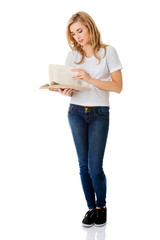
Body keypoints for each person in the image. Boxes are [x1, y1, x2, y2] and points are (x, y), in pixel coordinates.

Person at [51, 11, 123, 227]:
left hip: (99, 113)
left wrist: (89, 78)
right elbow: (72, 88)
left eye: (80, 31)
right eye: (73, 34)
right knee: (83, 165)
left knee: (95, 166)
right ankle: (90, 208)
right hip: (76, 112)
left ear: (89, 26)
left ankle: (102, 206)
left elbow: (118, 87)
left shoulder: (108, 52)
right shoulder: (72, 55)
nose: (77, 37)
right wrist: (64, 90)